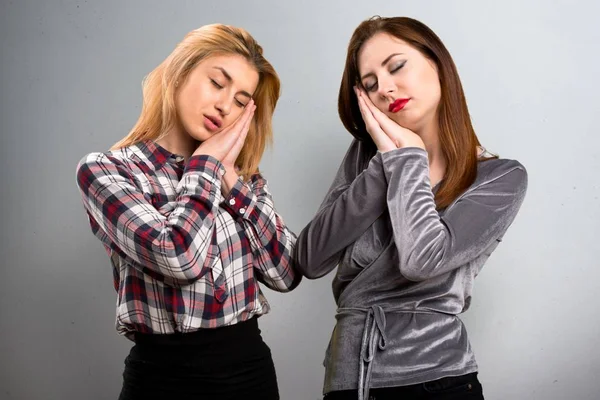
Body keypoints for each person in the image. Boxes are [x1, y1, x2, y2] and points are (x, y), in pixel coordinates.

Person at [293, 16, 528, 400]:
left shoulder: (500, 178)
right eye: (370, 84)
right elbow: (309, 258)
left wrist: (409, 159)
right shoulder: (367, 159)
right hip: (348, 379)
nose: (385, 88)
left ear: (437, 63)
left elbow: (421, 261)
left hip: (438, 381)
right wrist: (385, 165)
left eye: (397, 66)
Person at [75, 23, 300, 400]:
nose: (225, 106)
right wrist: (206, 165)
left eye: (242, 101)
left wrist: (231, 183)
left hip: (249, 375)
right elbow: (179, 257)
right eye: (217, 83)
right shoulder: (107, 170)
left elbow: (286, 272)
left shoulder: (244, 181)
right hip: (161, 380)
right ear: (180, 74)